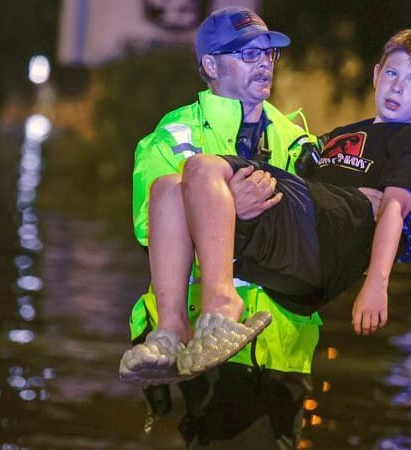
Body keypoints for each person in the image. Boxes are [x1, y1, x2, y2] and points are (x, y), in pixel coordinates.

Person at [122, 29, 411, 384]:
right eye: (392, 74)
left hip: (309, 260)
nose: (397, 87)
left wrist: (377, 284)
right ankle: (172, 331)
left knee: (202, 168)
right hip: (287, 246)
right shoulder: (336, 138)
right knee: (167, 187)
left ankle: (221, 306)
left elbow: (391, 210)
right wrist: (228, 206)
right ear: (376, 75)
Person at [121, 6, 322, 449]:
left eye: (268, 54)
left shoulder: (297, 140)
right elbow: (148, 228)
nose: (264, 63)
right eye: (248, 54)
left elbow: (316, 234)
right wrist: (234, 205)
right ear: (211, 65)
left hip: (282, 342)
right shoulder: (175, 135)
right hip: (202, 339)